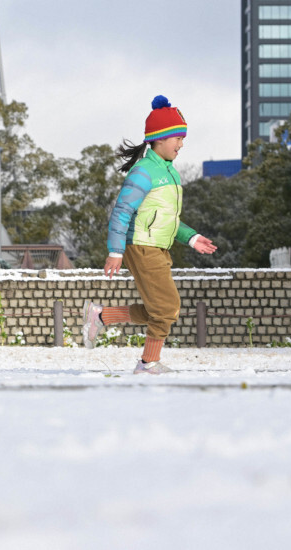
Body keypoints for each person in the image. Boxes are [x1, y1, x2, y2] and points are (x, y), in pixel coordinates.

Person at [81, 95, 217, 374]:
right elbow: (121, 212)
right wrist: (115, 252)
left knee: (161, 308)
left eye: (183, 138)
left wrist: (191, 237)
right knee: (167, 307)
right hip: (142, 247)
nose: (181, 144)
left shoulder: (170, 173)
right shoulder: (144, 171)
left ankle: (101, 316)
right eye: (177, 137)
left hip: (156, 246)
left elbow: (166, 220)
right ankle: (147, 363)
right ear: (160, 138)